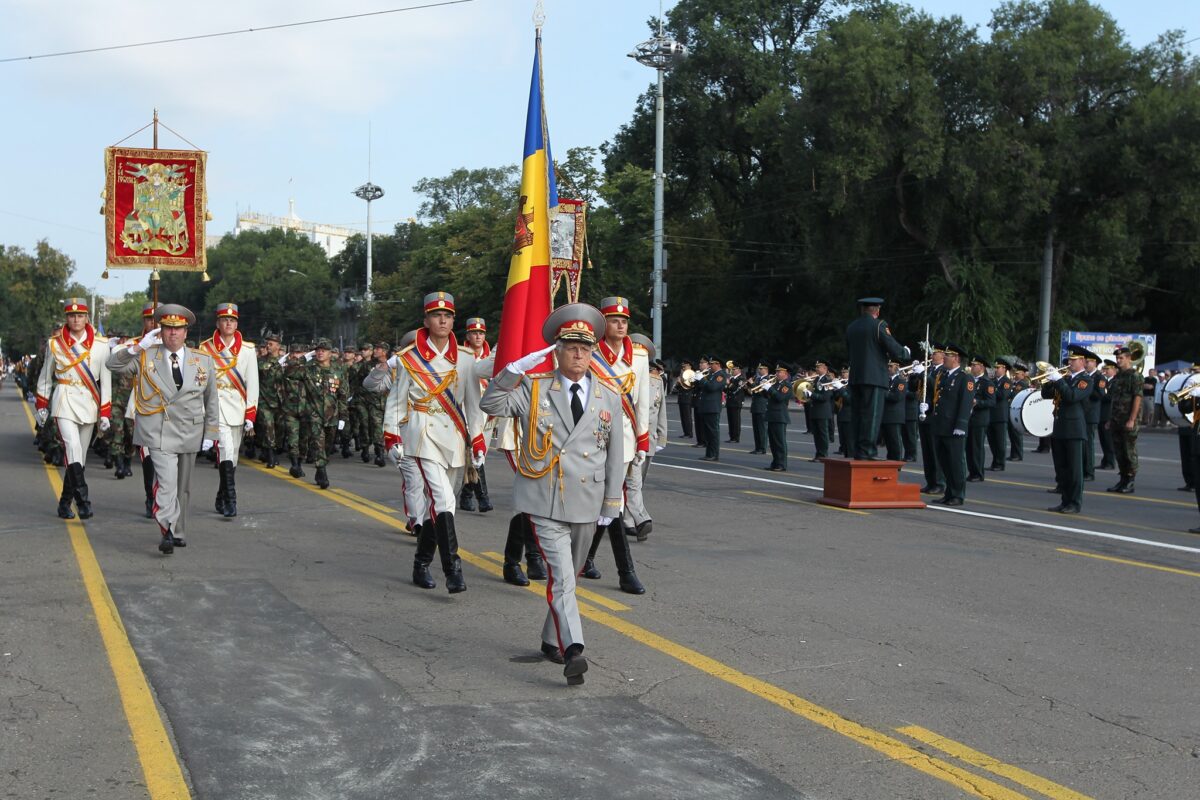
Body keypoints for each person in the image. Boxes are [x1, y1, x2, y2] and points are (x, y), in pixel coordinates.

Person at [479, 303, 624, 685]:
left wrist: (613, 502)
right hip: (544, 495)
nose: (579, 354)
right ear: (556, 351)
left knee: (569, 578)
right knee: (561, 577)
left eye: (586, 348)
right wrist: (512, 371)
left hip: (587, 500)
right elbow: (490, 404)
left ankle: (549, 639)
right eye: (571, 347)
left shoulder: (608, 395)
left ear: (594, 351)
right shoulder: (536, 387)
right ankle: (573, 650)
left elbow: (615, 455)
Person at [382, 291, 485, 593]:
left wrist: (477, 439)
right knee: (443, 501)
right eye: (437, 315)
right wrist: (392, 435)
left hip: (453, 436)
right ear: (426, 320)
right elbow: (396, 402)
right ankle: (452, 569)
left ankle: (421, 562)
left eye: (448, 315)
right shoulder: (408, 358)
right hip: (421, 436)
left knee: (439, 506)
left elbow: (473, 403)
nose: (443, 320)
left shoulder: (466, 358)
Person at [107, 304, 219, 554]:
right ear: (161, 331)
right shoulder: (146, 356)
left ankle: (178, 530)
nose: (173, 334)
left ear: (186, 333)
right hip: (157, 430)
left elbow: (212, 400)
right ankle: (166, 529)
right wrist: (138, 347)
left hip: (189, 431)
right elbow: (112, 365)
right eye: (168, 329)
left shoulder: (203, 361)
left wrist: (212, 434)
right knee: (166, 482)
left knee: (183, 486)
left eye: (178, 329)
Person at [580, 297, 649, 592]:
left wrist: (643, 438)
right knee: (601, 502)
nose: (620, 325)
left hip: (624, 438)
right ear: (603, 324)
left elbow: (643, 401)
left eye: (624, 321)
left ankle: (623, 570)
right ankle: (589, 559)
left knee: (613, 502)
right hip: (593, 436)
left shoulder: (640, 357)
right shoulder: (590, 353)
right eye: (614, 320)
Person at [34, 298, 113, 520]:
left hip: (89, 403)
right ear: (66, 318)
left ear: (86, 317)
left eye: (80, 315)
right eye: (71, 315)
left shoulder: (101, 345)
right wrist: (42, 405)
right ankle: (83, 502)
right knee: (72, 446)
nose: (76, 319)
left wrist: (105, 412)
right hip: (64, 400)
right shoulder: (55, 344)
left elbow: (105, 382)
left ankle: (64, 504)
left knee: (80, 457)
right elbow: (46, 378)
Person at [198, 303, 259, 518]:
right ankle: (232, 500)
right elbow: (201, 382)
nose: (228, 323)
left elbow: (253, 384)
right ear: (218, 323)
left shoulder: (248, 350)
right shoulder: (205, 348)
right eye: (224, 320)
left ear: (237, 323)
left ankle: (221, 495)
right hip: (215, 407)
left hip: (238, 407)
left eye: (232, 320)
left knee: (232, 455)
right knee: (225, 447)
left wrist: (251, 414)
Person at [845, 297, 911, 460]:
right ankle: (867, 451)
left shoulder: (852, 327)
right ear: (877, 310)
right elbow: (893, 347)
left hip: (856, 377)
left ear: (862, 309)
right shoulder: (879, 325)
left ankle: (857, 449)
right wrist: (905, 352)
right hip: (874, 377)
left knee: (858, 415)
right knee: (872, 416)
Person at [1041, 346, 1093, 514]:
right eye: (1069, 360)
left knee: (1074, 469)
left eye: (1073, 360)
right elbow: (1045, 394)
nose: (1069, 362)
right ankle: (1065, 501)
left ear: (1083, 362)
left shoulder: (1085, 380)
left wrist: (1059, 380)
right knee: (1062, 468)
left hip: (1074, 430)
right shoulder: (1067, 379)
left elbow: (1072, 397)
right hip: (1060, 427)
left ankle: (1075, 502)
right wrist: (1050, 380)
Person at [458, 318, 496, 513]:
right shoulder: (461, 356)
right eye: (474, 333)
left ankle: (465, 495)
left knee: (480, 457)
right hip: (467, 414)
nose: (478, 336)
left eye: (481, 333)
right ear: (468, 336)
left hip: (487, 416)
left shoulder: (493, 357)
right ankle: (483, 498)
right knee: (474, 455)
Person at [931, 343, 972, 506]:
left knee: (956, 463)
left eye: (947, 355)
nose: (944, 358)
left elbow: (965, 403)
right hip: (941, 426)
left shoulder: (964, 378)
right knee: (944, 462)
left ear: (956, 358)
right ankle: (949, 492)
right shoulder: (945, 376)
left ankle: (958, 494)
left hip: (954, 428)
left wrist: (961, 425)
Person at [1105, 345, 1142, 494]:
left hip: (1128, 419)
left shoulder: (1135, 376)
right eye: (1117, 358)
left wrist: (1132, 419)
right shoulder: (1119, 376)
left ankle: (1130, 481)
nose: (1118, 361)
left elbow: (1137, 398)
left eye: (1121, 358)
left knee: (1129, 451)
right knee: (1119, 451)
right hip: (1116, 419)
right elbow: (1114, 399)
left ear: (1129, 358)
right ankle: (1122, 480)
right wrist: (1109, 419)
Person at [917, 344, 945, 493]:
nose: (932, 356)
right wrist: (917, 374)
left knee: (935, 451)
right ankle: (930, 481)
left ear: (942, 355)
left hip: (934, 415)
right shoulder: (930, 370)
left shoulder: (943, 371)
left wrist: (924, 374)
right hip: (923, 414)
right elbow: (916, 388)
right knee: (926, 452)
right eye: (932, 353)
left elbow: (937, 387)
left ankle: (939, 482)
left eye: (936, 353)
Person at [255, 332, 284, 468]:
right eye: (267, 343)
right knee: (268, 426)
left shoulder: (284, 362)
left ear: (278, 346)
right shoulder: (261, 361)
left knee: (279, 428)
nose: (268, 345)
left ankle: (269, 450)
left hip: (280, 401)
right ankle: (271, 456)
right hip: (264, 399)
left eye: (271, 344)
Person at [966, 355, 994, 482]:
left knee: (976, 447)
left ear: (981, 367)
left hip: (979, 419)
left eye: (974, 365)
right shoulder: (970, 380)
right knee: (969, 447)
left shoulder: (987, 382)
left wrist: (977, 402)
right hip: (969, 418)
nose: (972, 367)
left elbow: (991, 402)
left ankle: (978, 473)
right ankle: (972, 471)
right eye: (972, 365)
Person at [694, 355, 726, 462]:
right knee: (708, 433)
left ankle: (713, 454)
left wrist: (702, 379)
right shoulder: (711, 374)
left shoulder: (721, 375)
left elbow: (712, 387)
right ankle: (709, 453)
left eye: (712, 364)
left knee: (713, 432)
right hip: (706, 407)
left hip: (713, 407)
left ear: (718, 365)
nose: (710, 366)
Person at [1083, 352, 1106, 482]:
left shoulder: (1099, 377)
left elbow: (1100, 395)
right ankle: (1084, 469)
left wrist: (1088, 388)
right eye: (1085, 361)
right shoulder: (1086, 376)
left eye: (1089, 362)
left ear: (1095, 363)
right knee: (1082, 444)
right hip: (1083, 413)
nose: (1086, 364)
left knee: (1088, 444)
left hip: (1091, 414)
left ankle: (1089, 472)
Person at [987, 358, 1013, 471]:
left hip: (1000, 415)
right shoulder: (992, 381)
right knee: (992, 441)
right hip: (991, 415)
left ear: (1004, 369)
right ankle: (995, 461)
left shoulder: (1006, 381)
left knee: (1000, 442)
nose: (996, 370)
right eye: (995, 367)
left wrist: (992, 390)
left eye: (998, 368)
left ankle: (1000, 463)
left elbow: (1003, 395)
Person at [807, 360, 836, 461]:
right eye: (816, 367)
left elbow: (826, 397)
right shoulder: (816, 380)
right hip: (815, 410)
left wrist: (812, 395)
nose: (816, 369)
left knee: (823, 434)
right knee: (817, 434)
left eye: (819, 367)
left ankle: (823, 454)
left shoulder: (828, 380)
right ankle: (818, 453)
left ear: (825, 369)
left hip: (823, 411)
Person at [765, 363, 792, 471]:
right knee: (773, 442)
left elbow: (780, 398)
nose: (776, 373)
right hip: (772, 415)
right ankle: (775, 462)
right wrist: (764, 388)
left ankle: (781, 464)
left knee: (779, 442)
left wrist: (770, 389)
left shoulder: (787, 385)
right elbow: (769, 396)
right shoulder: (776, 384)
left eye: (779, 372)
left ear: (785, 373)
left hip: (780, 416)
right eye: (776, 371)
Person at [881, 359, 907, 461]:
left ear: (897, 367)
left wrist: (883, 393)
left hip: (895, 415)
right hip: (886, 415)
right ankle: (890, 461)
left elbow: (897, 397)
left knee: (895, 440)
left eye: (891, 366)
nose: (889, 368)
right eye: (888, 366)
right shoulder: (886, 380)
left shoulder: (900, 381)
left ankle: (897, 461)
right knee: (888, 441)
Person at [1097, 359, 1117, 470]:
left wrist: (1101, 393)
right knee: (1103, 439)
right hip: (1101, 413)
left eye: (1107, 369)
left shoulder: (1115, 382)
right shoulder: (1105, 381)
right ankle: (1105, 461)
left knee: (1108, 441)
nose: (1104, 371)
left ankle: (1110, 462)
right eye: (1104, 368)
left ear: (1114, 370)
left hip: (1108, 414)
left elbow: (1110, 397)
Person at [1008, 363, 1030, 461]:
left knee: (1016, 434)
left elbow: (1013, 394)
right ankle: (1014, 454)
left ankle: (1018, 454)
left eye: (1018, 373)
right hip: (1014, 410)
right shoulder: (1016, 383)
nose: (1015, 375)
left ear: (1023, 375)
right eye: (1015, 373)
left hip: (1017, 411)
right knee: (1012, 434)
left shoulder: (1022, 383)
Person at [748, 362, 770, 454]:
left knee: (762, 429)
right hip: (756, 406)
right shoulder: (758, 378)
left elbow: (762, 393)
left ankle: (762, 448)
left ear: (766, 370)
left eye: (761, 369)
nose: (759, 370)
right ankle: (757, 447)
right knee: (756, 429)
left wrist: (752, 384)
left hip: (762, 406)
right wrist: (749, 386)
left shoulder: (767, 379)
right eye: (759, 369)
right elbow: (754, 392)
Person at [724, 361, 745, 443]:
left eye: (734, 369)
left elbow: (735, 389)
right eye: (732, 369)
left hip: (736, 402)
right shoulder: (732, 378)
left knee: (735, 421)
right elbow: (726, 390)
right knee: (730, 420)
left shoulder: (741, 379)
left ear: (739, 370)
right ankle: (731, 436)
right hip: (730, 401)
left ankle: (736, 437)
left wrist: (728, 384)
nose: (732, 370)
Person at [675, 359, 694, 438]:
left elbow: (690, 386)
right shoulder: (682, 373)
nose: (683, 367)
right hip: (682, 396)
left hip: (687, 396)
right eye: (683, 366)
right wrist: (678, 383)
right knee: (683, 416)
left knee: (687, 416)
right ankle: (685, 432)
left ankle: (689, 433)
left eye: (685, 365)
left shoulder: (691, 374)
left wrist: (681, 382)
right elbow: (678, 387)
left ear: (689, 366)